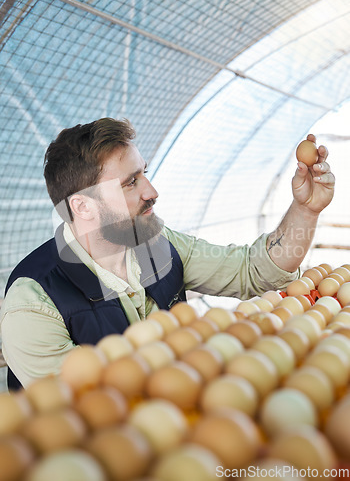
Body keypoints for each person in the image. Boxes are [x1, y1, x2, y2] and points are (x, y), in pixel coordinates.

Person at [0, 118, 335, 388]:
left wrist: (306, 210)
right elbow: (88, 419)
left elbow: (252, 269)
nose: (152, 191)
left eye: (144, 172)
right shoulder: (33, 304)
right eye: (131, 182)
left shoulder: (156, 244)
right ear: (83, 206)